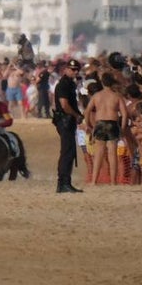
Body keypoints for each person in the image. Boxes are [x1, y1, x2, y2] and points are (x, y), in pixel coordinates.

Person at [54, 60, 84, 193]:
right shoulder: (64, 85)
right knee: (67, 151)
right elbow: (65, 105)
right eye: (73, 69)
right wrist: (76, 115)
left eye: (77, 69)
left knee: (70, 151)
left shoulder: (70, 84)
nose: (75, 72)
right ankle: (63, 182)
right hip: (65, 120)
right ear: (66, 69)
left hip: (68, 120)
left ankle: (65, 182)